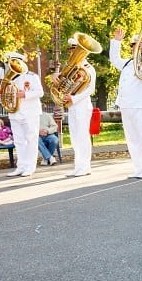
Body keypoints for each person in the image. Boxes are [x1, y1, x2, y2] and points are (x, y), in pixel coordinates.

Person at [110, 28, 142, 179]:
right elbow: (114, 59)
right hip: (127, 105)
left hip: (141, 105)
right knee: (132, 139)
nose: (134, 48)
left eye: (137, 45)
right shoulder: (127, 63)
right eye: (132, 45)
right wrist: (116, 42)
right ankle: (138, 167)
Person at [56, 36, 98, 177]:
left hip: (82, 105)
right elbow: (63, 84)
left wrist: (73, 98)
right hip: (72, 107)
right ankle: (78, 166)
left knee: (82, 136)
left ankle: (85, 166)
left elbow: (90, 89)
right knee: (75, 137)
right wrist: (56, 79)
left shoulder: (88, 68)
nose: (72, 52)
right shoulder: (70, 68)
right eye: (71, 50)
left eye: (75, 50)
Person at [0, 51, 44, 177]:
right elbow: (5, 98)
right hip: (15, 113)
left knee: (31, 139)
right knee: (18, 140)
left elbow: (40, 92)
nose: (10, 66)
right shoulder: (7, 80)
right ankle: (21, 166)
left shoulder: (31, 76)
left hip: (30, 112)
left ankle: (30, 166)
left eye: (13, 63)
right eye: (9, 63)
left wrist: (26, 94)